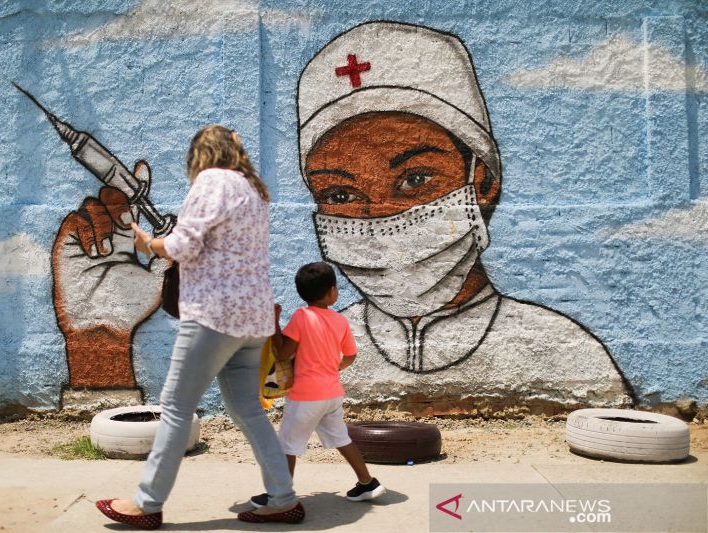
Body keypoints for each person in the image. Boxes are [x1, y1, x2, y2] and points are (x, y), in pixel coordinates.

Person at [297, 21, 635, 410]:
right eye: (340, 194)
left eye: (415, 179)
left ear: (482, 182)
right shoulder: (329, 346)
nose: (379, 218)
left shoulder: (562, 350)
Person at [95, 125, 305, 529]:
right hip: (252, 319)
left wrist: (149, 244)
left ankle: (147, 504)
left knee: (175, 407)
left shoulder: (211, 181)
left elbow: (183, 246)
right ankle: (283, 498)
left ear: (201, 154)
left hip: (213, 315)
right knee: (248, 410)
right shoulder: (253, 190)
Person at [249, 262, 385, 509]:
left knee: (287, 446)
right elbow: (351, 356)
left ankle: (280, 495)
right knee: (342, 439)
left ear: (302, 293)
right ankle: (368, 483)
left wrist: (274, 323)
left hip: (305, 398)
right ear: (332, 292)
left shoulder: (302, 317)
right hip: (332, 394)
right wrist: (335, 368)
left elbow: (281, 354)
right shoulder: (340, 320)